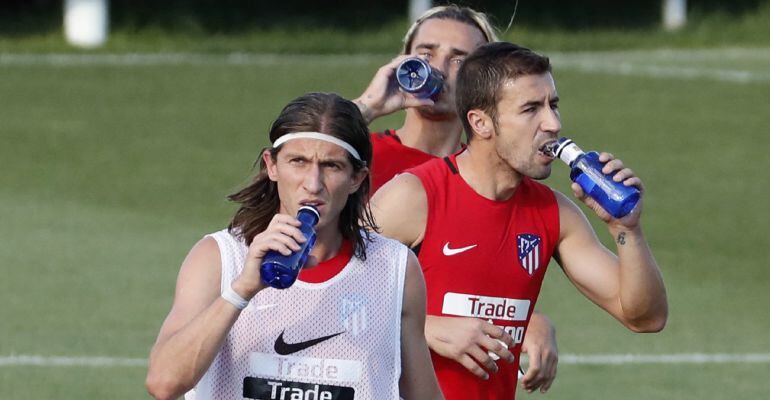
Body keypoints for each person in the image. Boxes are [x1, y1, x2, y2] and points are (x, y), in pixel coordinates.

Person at [369, 42, 668, 399]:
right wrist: (425, 329)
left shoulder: (553, 213)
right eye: (531, 109)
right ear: (481, 123)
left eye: (553, 105)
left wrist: (626, 230)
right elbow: (327, 297)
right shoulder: (414, 196)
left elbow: (645, 317)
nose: (553, 123)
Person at [145, 92, 443, 400]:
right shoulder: (219, 257)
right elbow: (164, 383)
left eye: (331, 166)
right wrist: (241, 290)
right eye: (298, 161)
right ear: (271, 166)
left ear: (357, 178)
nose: (313, 184)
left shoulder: (394, 267)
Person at [353, 4, 558, 394]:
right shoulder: (355, 159)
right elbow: (319, 275)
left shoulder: (495, 181)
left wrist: (531, 319)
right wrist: (367, 107)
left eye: (458, 59)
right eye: (425, 54)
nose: (437, 69)